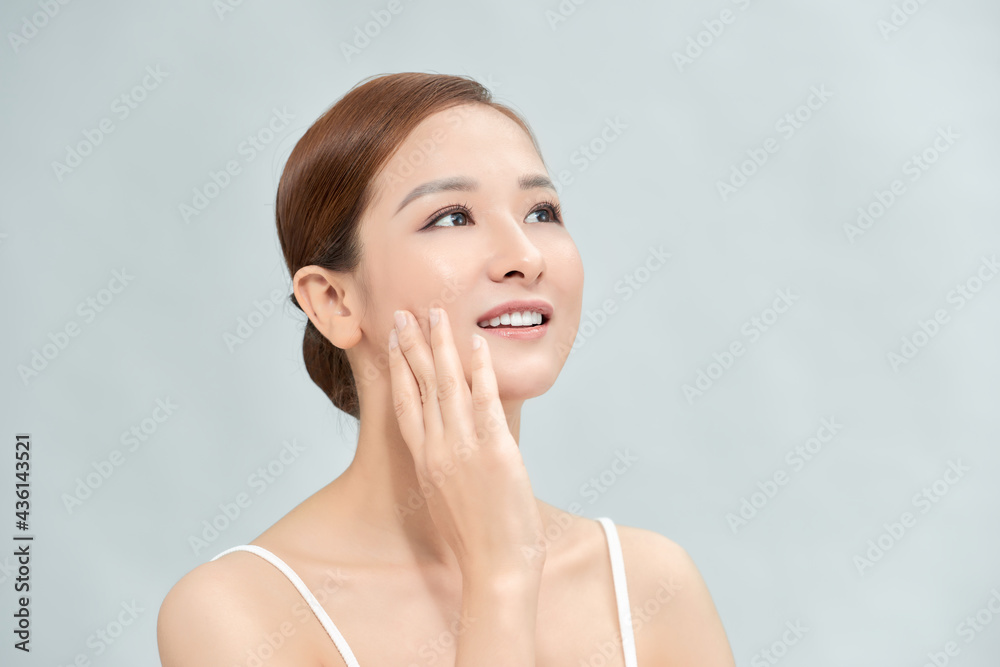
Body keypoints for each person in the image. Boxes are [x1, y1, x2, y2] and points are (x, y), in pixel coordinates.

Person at [157, 72, 736, 666]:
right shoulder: (239, 612)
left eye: (541, 211)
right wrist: (500, 576)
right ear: (333, 301)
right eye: (453, 218)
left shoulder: (651, 586)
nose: (526, 257)